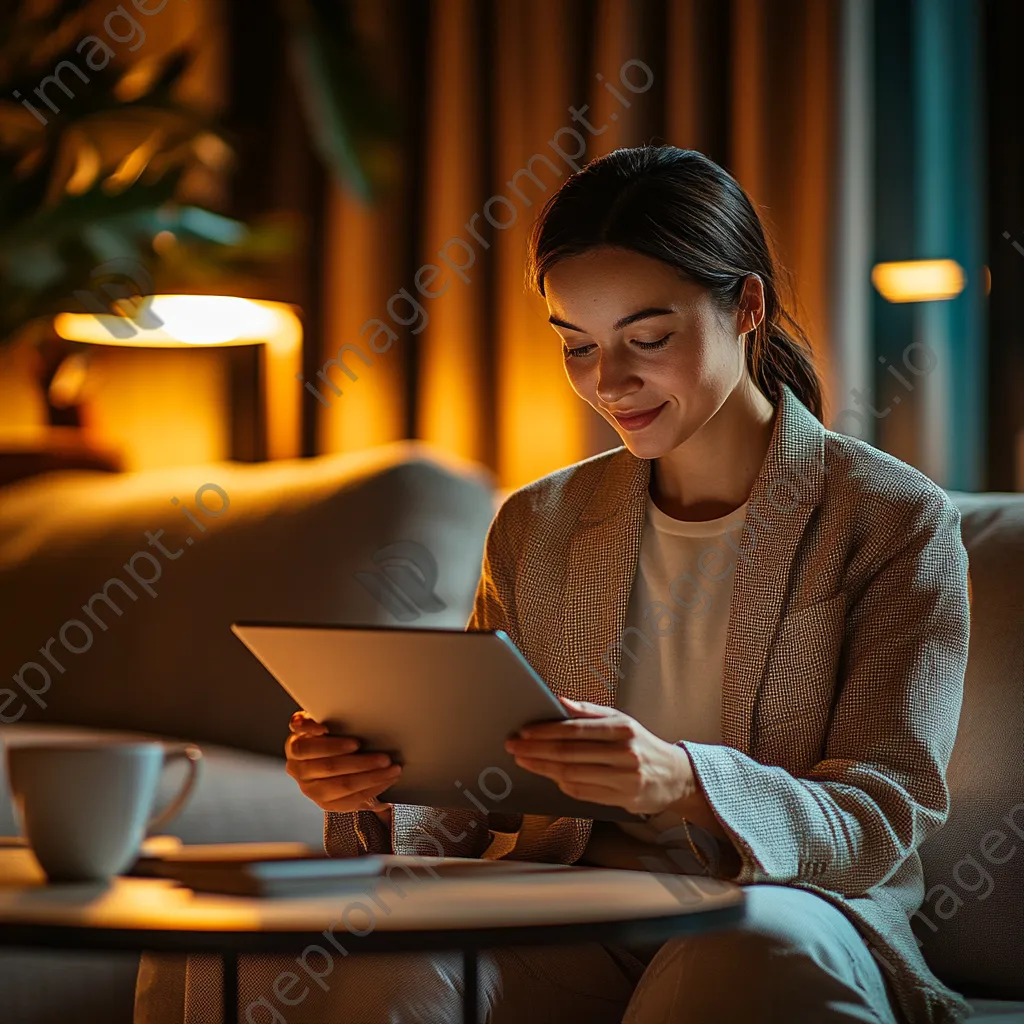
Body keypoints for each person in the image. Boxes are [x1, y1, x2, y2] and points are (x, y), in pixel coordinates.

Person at [134, 145, 973, 1024]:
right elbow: (474, 796)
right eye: (578, 345)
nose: (609, 382)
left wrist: (683, 780)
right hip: (568, 905)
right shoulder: (540, 524)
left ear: (747, 306)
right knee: (341, 956)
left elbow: (884, 809)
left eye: (648, 339)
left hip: (788, 902)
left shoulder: (889, 518)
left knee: (745, 955)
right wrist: (377, 784)